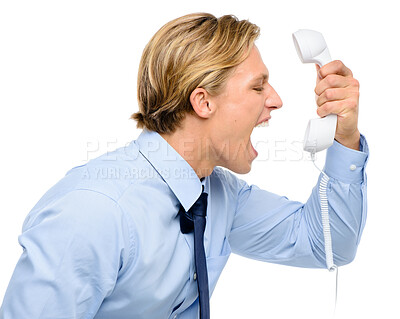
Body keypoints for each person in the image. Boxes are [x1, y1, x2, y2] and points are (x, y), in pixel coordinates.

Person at [0, 12, 368, 319]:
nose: (277, 100)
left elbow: (329, 245)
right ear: (203, 103)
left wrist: (345, 137)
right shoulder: (93, 211)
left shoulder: (218, 194)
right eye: (258, 87)